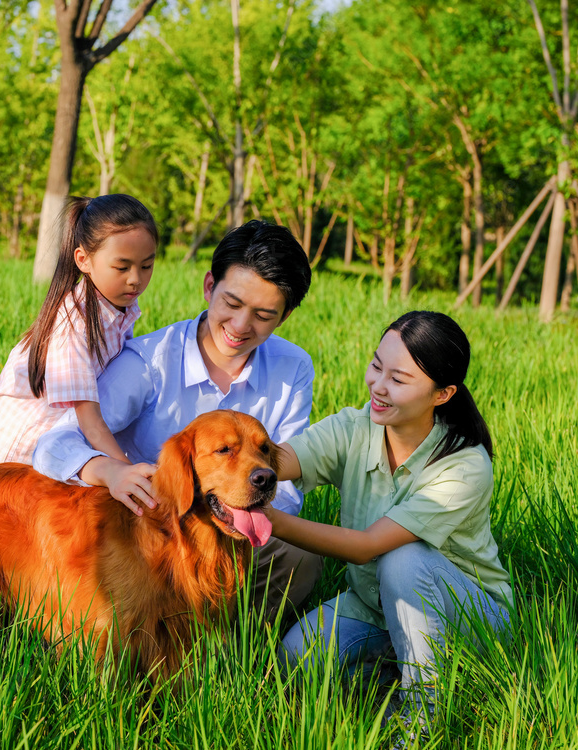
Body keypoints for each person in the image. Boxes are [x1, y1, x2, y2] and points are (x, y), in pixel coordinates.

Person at [33, 220, 323, 619]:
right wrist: (112, 471)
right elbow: (54, 443)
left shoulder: (293, 368)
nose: (240, 327)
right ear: (208, 287)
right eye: (232, 304)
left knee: (301, 558)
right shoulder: (148, 362)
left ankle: (232, 646)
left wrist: (243, 516)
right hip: (148, 534)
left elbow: (285, 484)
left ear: (285, 316)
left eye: (263, 314)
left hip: (235, 534)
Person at [272, 310, 512, 727]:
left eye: (398, 380)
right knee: (296, 659)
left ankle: (423, 716)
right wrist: (234, 467)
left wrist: (266, 519)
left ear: (442, 393)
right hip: (375, 606)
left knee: (404, 559)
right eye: (376, 366)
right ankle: (400, 672)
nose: (378, 387)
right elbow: (281, 459)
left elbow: (366, 548)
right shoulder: (355, 426)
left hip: (466, 615)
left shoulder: (464, 465)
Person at [0, 194, 158, 468]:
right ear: (83, 260)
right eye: (122, 267)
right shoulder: (73, 323)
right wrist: (126, 471)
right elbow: (90, 422)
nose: (135, 279)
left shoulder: (119, 307)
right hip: (7, 453)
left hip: (50, 443)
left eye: (147, 266)